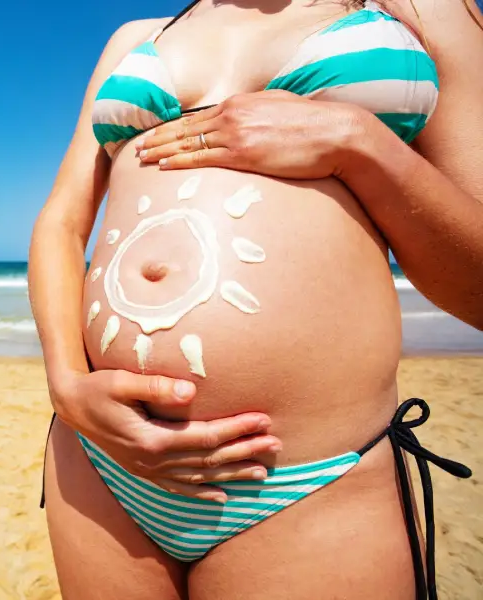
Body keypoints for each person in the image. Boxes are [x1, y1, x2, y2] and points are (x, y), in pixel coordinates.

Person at [28, 0, 482, 597]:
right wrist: (67, 386)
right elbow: (63, 223)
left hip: (307, 480)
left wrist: (360, 143)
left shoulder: (423, 11)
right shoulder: (136, 37)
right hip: (99, 458)